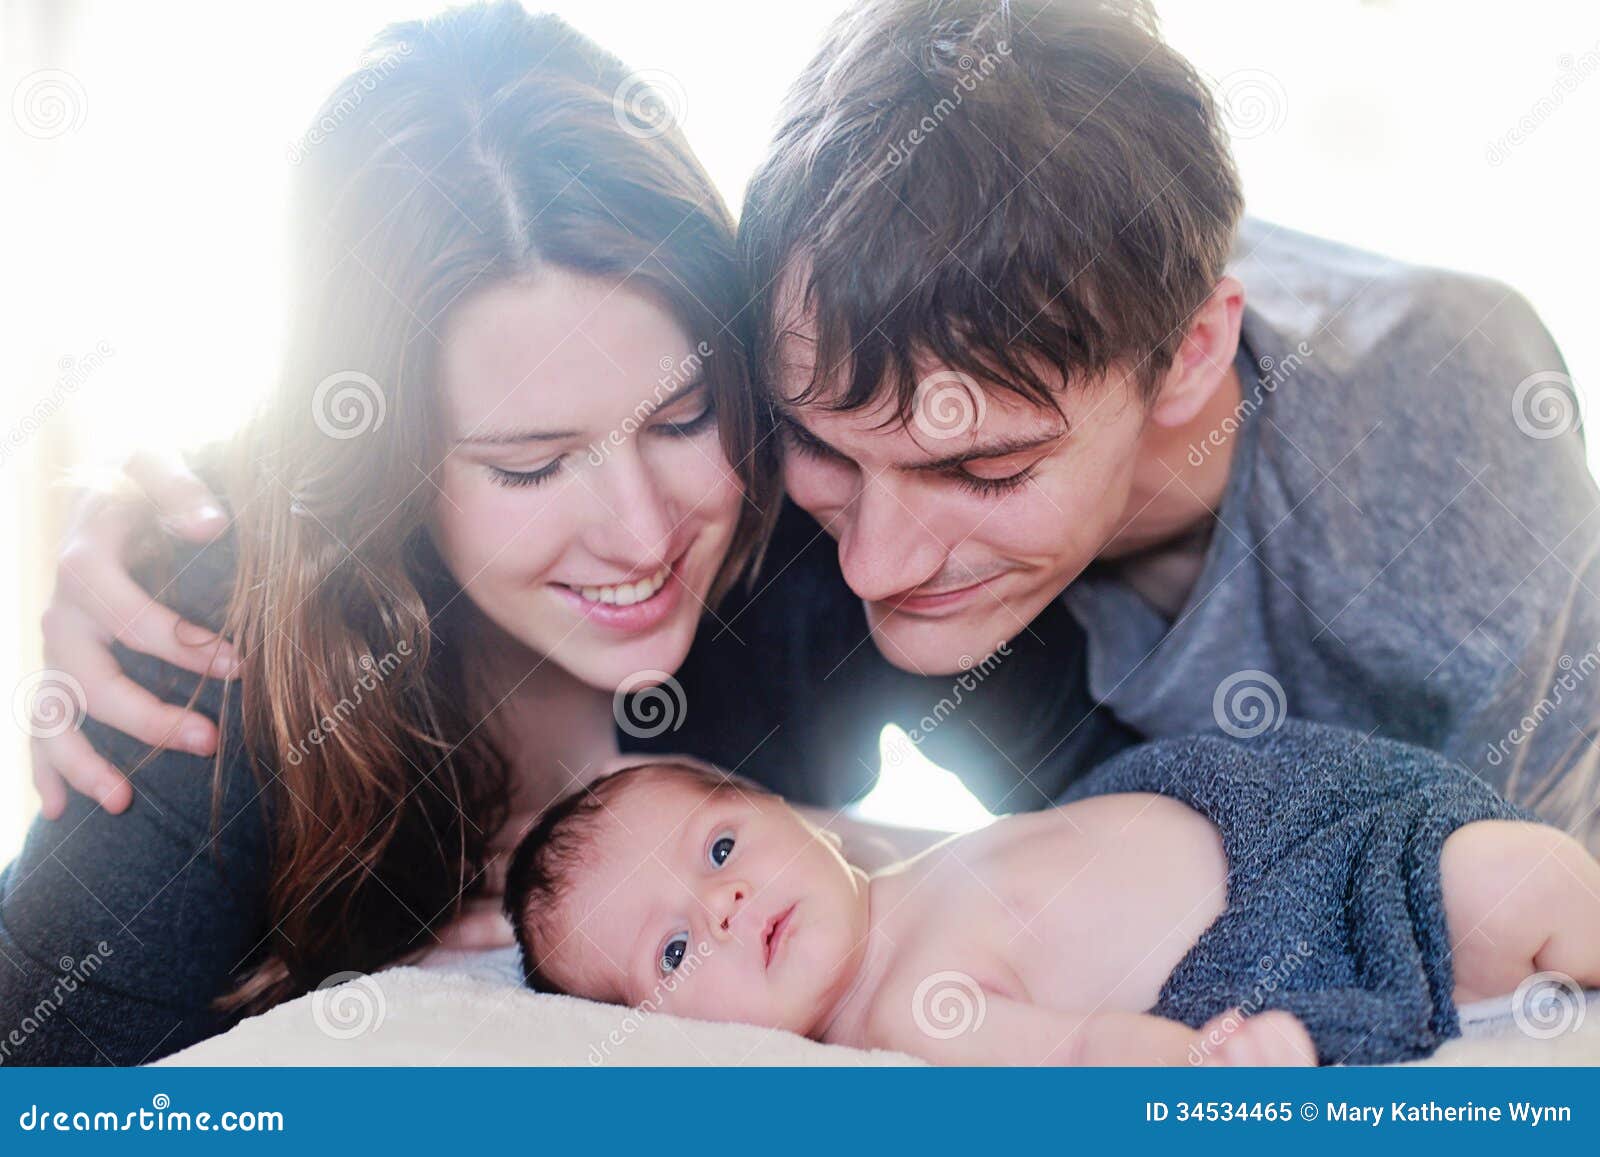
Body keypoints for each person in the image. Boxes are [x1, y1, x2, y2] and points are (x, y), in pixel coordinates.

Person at [47, 0, 1600, 852]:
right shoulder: (789, 340)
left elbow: (1511, 916)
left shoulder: (1434, 427)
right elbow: (480, 340)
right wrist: (182, 508)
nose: (878, 559)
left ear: (1191, 361)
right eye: (819, 446)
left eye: (982, 465)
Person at [6, 3, 1100, 1065]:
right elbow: (36, 1088)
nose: (640, 533)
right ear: (387, 464)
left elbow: (1170, 827)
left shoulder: (829, 520)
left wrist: (815, 845)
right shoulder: (212, 636)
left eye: (682, 416)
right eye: (528, 463)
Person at [504, 724, 1600, 1066]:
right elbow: (1077, 1051)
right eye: (677, 953)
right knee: (1522, 882)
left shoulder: (898, 868)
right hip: (1301, 940)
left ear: (783, 805)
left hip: (1299, 820)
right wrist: (1205, 1062)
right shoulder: (907, 1009)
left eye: (721, 846)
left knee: (1529, 860)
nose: (727, 905)